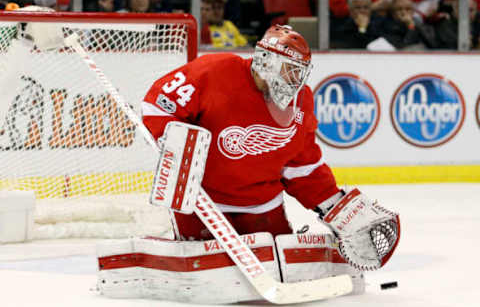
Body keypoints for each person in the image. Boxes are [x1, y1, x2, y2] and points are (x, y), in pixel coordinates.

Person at [141, 24, 400, 277]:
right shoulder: (215, 70)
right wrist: (172, 141)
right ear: (265, 61)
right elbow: (159, 105)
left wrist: (333, 203)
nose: (294, 79)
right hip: (203, 201)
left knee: (277, 269)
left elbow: (301, 164)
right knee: (208, 271)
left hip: (262, 204)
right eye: (289, 70)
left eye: (299, 72)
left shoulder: (301, 100)